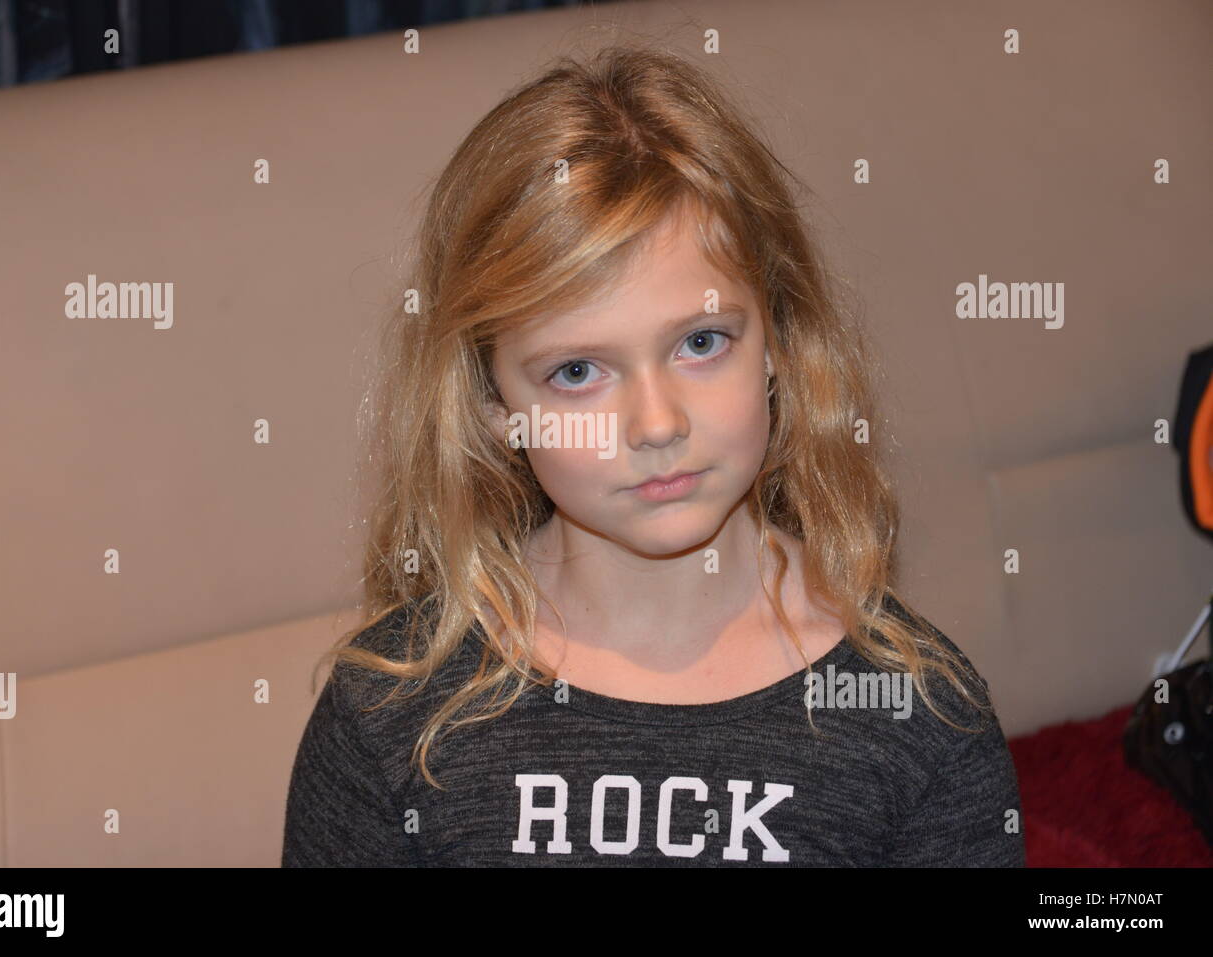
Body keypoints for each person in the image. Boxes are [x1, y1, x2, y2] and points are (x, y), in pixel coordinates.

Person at [281, 43, 1025, 867]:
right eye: (576, 371)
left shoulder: (918, 715)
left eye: (701, 342)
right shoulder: (391, 718)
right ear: (494, 407)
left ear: (779, 340)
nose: (656, 421)